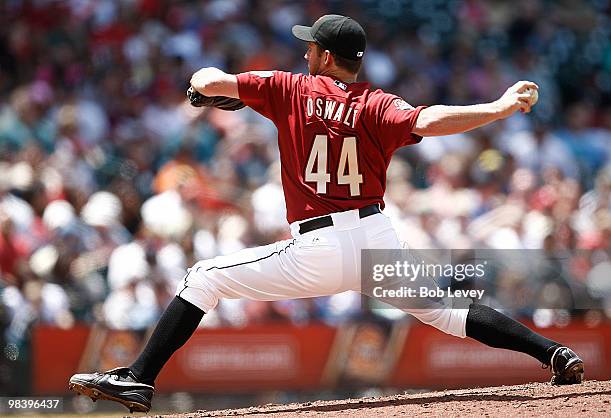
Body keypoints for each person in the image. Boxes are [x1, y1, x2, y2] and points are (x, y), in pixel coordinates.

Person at [68, 15, 584, 413]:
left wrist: (204, 93)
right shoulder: (376, 102)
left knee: (203, 277)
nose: (305, 50)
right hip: (375, 235)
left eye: (311, 45)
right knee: (444, 312)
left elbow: (208, 77)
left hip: (317, 247)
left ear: (326, 57)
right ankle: (553, 353)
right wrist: (496, 108)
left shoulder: (288, 89)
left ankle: (139, 376)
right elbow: (430, 119)